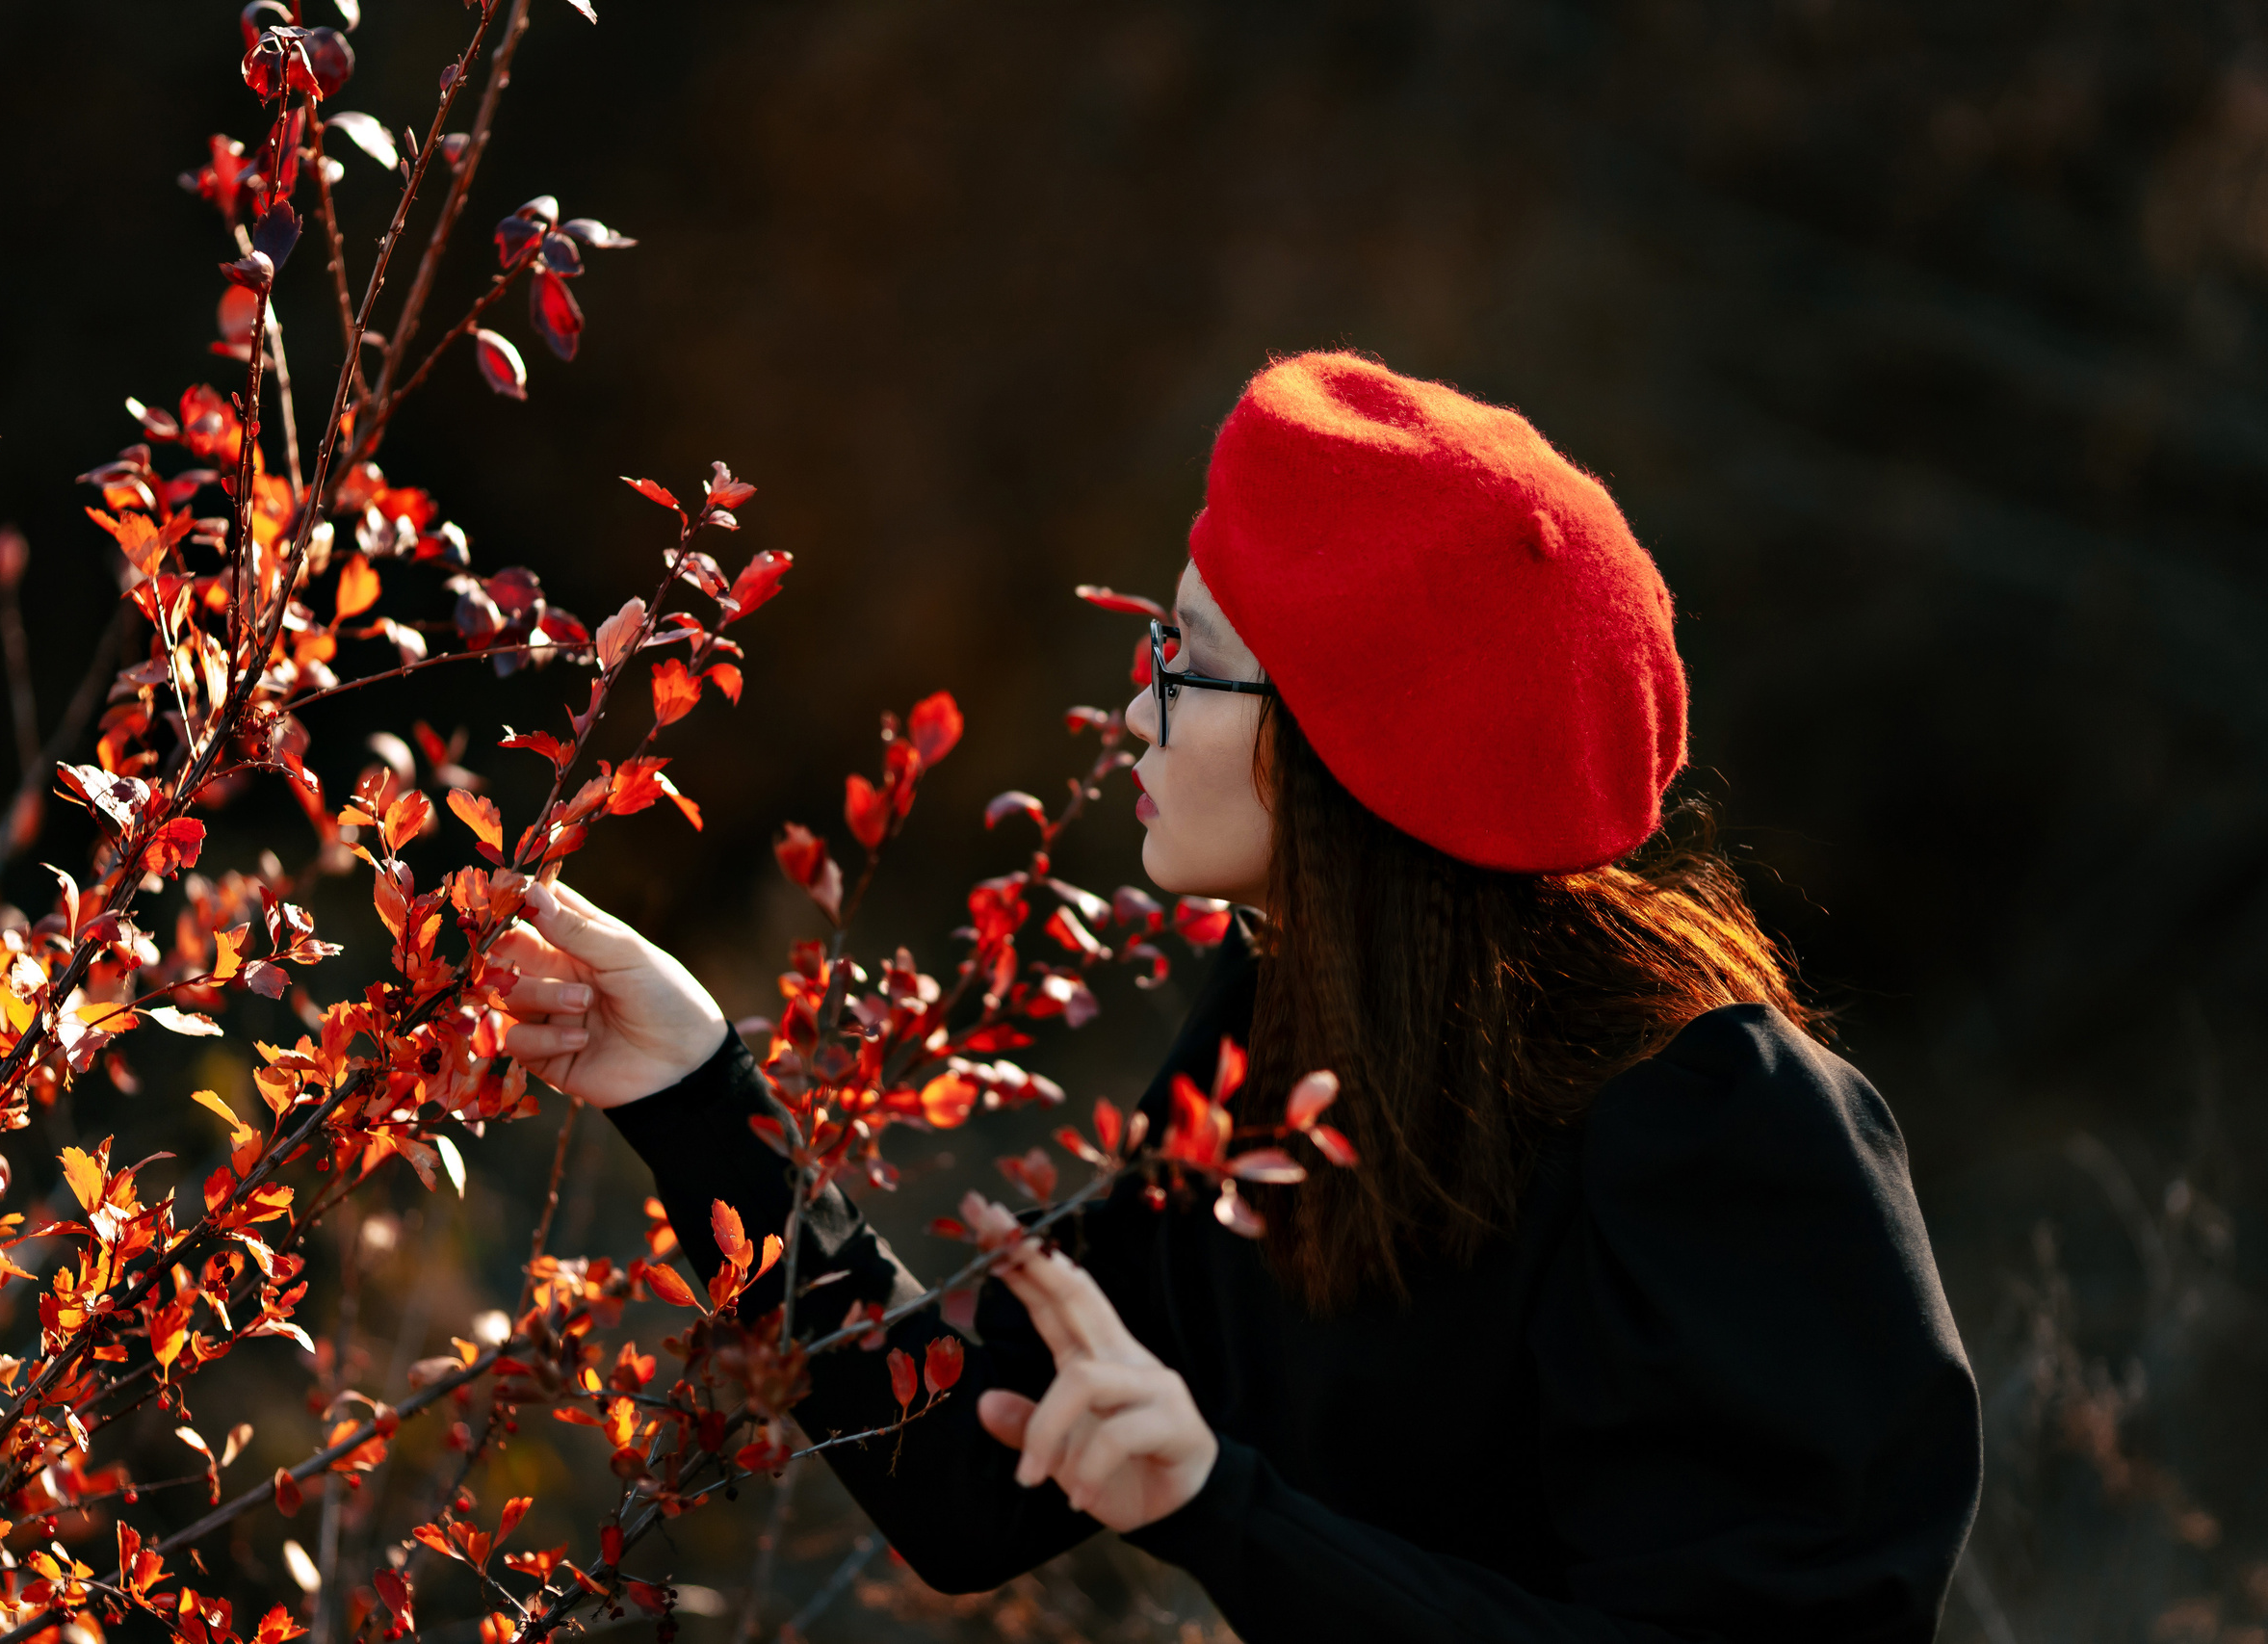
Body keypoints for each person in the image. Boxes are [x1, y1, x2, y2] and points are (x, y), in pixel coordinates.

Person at [490, 352, 1983, 1640]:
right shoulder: (1294, 1050)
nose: (1135, 705)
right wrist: (694, 1090)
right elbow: (964, 1474)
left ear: (1355, 741)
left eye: (1186, 660)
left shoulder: (1723, 1144)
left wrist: (1224, 1511)